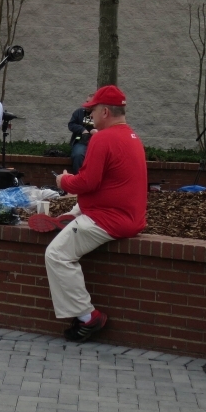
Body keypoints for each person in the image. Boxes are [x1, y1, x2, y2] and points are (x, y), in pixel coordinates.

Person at [43, 85, 146, 342]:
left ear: (105, 111)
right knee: (77, 210)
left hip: (108, 219)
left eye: (92, 110)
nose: (89, 115)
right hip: (127, 215)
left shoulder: (102, 138)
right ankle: (72, 218)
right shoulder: (132, 136)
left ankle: (89, 318)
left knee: (56, 255)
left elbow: (87, 182)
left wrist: (64, 182)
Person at [66, 106, 95, 174]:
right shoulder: (79, 112)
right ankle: (78, 177)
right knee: (78, 155)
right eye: (86, 101)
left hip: (97, 141)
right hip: (81, 141)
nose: (87, 104)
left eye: (89, 102)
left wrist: (97, 131)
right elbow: (71, 125)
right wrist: (82, 130)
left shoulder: (100, 113)